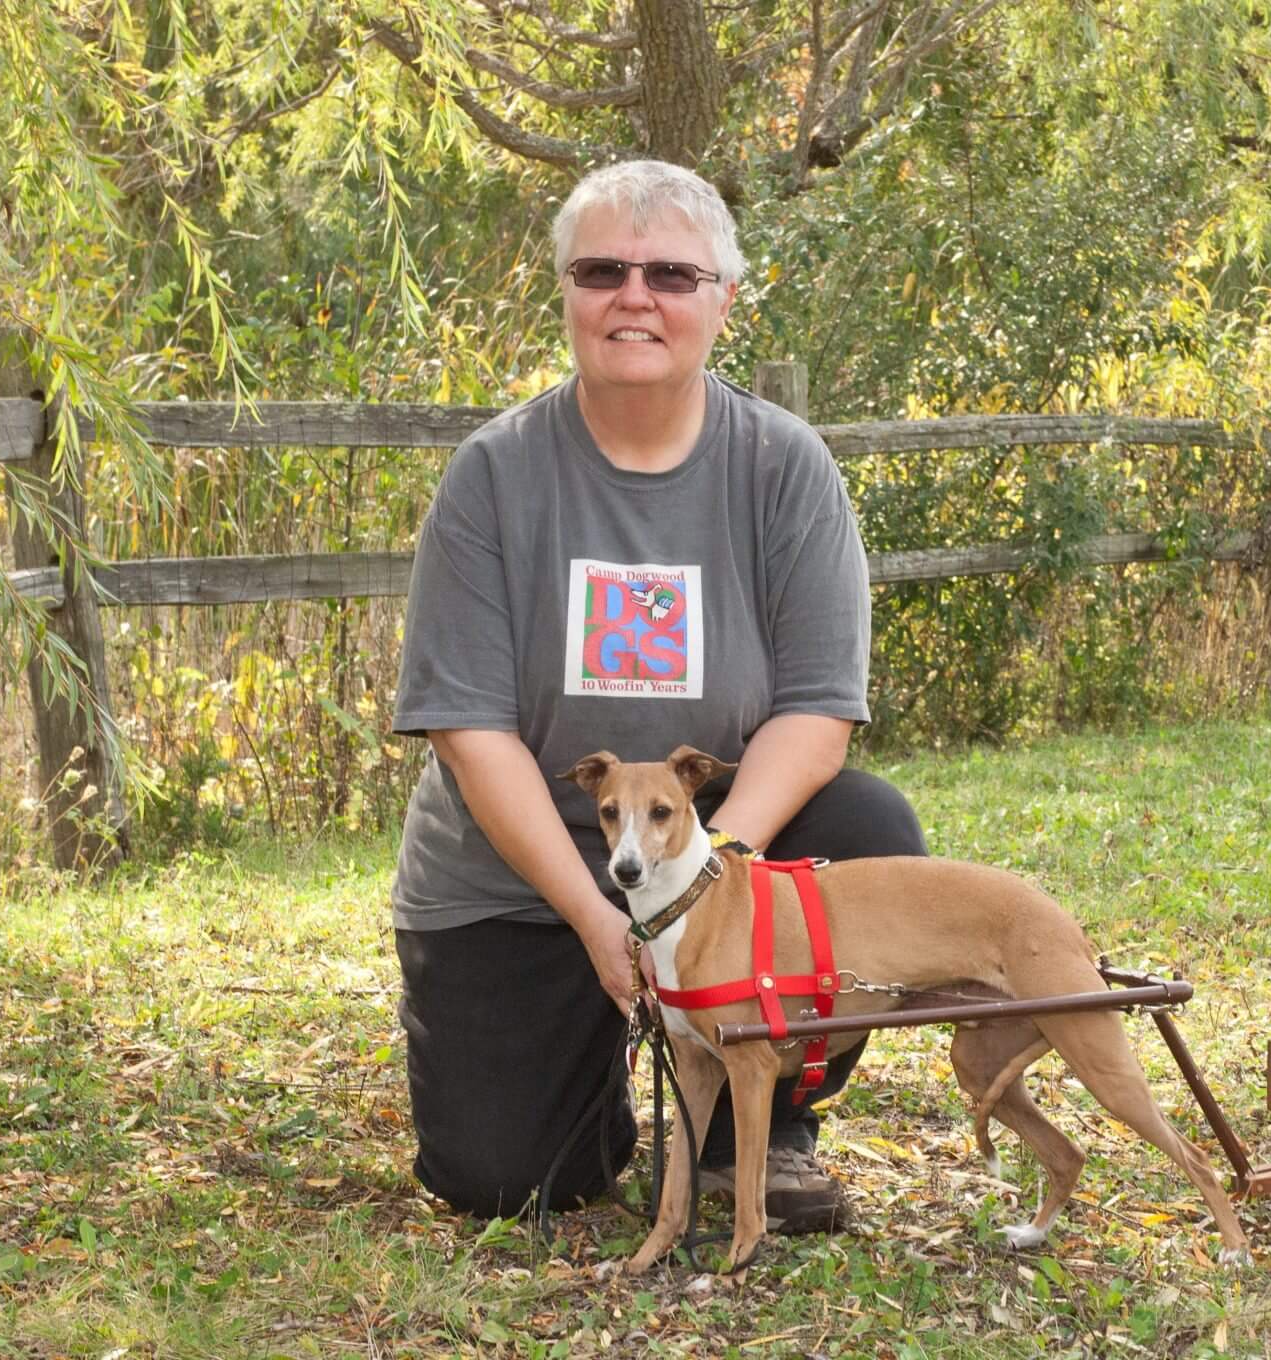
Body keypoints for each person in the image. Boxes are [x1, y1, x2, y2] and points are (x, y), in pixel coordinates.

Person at [388, 158, 926, 1234]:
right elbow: (469, 727)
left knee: (870, 829)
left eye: (673, 274)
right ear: (566, 294)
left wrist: (706, 876)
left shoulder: (784, 468)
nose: (635, 296)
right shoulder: (493, 476)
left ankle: (751, 1134)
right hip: (522, 883)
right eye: (602, 270)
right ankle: (607, 1087)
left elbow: (817, 710)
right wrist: (599, 917)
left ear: (723, 299)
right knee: (504, 1180)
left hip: (714, 858)